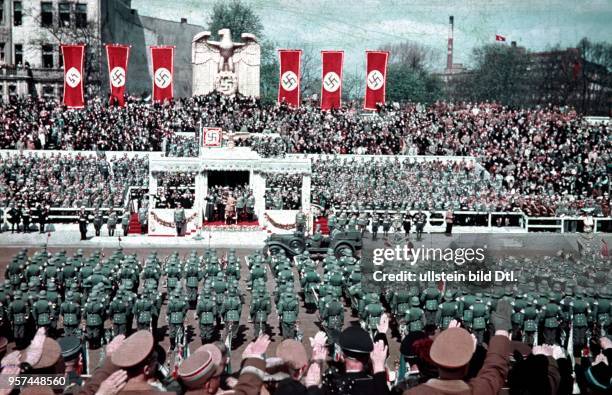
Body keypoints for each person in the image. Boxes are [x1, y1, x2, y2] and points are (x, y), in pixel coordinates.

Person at [404, 300, 513, 394]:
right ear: (468, 361)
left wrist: (449, 339)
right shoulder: (480, 391)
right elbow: (495, 368)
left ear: (435, 360)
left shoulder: (413, 393)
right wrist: (501, 329)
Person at [322, 325, 390, 395]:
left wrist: (316, 361)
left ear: (342, 355)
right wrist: (379, 367)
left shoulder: (332, 384)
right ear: (367, 357)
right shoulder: (376, 384)